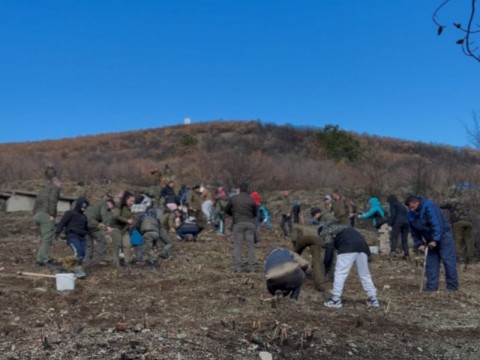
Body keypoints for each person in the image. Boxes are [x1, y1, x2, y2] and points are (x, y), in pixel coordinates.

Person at [405, 195, 458, 292]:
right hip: (429, 240)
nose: (411, 210)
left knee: (448, 261)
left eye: (412, 207)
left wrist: (435, 239)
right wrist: (419, 243)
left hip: (443, 236)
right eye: (409, 208)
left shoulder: (429, 206)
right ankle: (431, 287)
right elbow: (413, 231)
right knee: (431, 263)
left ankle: (452, 288)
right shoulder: (410, 215)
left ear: (416, 202)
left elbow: (437, 224)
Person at [320, 222, 379, 309]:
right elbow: (360, 239)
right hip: (363, 247)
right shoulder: (346, 227)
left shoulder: (327, 231)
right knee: (365, 275)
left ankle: (335, 299)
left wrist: (326, 267)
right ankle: (373, 299)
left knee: (340, 273)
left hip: (347, 247)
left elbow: (329, 250)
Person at [225, 182, 257, 273]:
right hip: (250, 224)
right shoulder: (251, 200)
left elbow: (226, 210)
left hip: (238, 223)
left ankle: (238, 267)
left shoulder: (233, 199)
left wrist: (233, 215)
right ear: (247, 189)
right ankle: (252, 267)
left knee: (238, 246)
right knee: (250, 246)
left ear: (239, 189)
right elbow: (255, 213)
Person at [291, 208, 326, 291]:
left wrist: (295, 246)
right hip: (317, 239)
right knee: (316, 261)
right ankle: (319, 284)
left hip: (303, 237)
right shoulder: (316, 222)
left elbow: (294, 238)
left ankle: (290, 274)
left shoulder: (297, 225)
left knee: (294, 255)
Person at [55, 197, 90, 278]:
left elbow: (86, 228)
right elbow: (62, 222)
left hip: (82, 237)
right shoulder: (70, 213)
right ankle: (77, 270)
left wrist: (91, 230)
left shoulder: (84, 217)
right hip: (72, 236)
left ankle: (66, 265)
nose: (83, 207)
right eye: (82, 205)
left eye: (85, 206)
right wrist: (57, 233)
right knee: (78, 252)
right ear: (78, 204)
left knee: (83, 254)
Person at [33, 175, 62, 267]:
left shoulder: (43, 190)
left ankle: (39, 260)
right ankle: (45, 260)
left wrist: (35, 215)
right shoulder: (55, 189)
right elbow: (52, 201)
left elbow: (36, 203)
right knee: (47, 239)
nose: (61, 185)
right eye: (61, 183)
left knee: (44, 239)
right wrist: (52, 214)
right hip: (46, 215)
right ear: (57, 182)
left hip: (37, 215)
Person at [440, 197, 474, 264]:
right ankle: (470, 258)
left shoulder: (452, 201)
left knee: (457, 240)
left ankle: (459, 258)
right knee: (469, 241)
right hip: (469, 222)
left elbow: (441, 205)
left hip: (458, 223)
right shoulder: (466, 201)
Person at [84, 198, 115, 265]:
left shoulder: (96, 205)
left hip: (85, 225)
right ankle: (101, 258)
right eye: (112, 207)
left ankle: (86, 261)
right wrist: (106, 227)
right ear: (109, 203)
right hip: (93, 225)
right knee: (102, 241)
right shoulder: (104, 205)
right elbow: (104, 216)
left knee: (89, 245)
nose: (111, 209)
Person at [109, 191, 136, 266]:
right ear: (126, 199)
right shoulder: (119, 206)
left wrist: (131, 221)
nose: (132, 202)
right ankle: (116, 263)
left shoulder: (130, 209)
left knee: (127, 245)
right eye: (131, 201)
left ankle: (127, 262)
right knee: (116, 245)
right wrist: (127, 220)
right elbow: (116, 216)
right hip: (116, 228)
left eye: (133, 201)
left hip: (125, 229)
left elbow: (131, 219)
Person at [386, 195, 410, 260]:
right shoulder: (402, 206)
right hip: (406, 223)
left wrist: (389, 223)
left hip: (398, 222)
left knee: (394, 237)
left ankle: (393, 252)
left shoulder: (393, 205)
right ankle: (406, 254)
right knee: (404, 240)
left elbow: (393, 214)